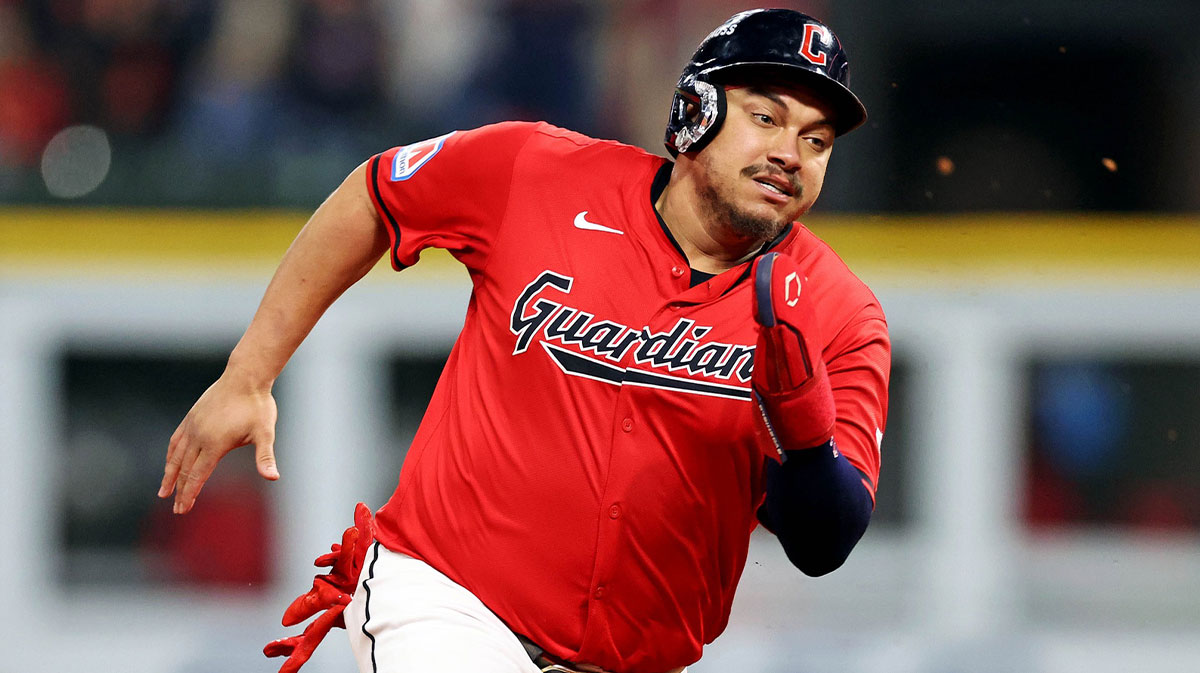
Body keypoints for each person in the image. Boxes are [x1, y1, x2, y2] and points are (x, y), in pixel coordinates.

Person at [159, 8, 890, 673]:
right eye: (766, 117)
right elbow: (375, 195)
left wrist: (802, 424)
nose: (790, 152)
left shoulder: (840, 313)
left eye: (816, 139)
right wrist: (249, 373)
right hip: (445, 599)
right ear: (695, 111)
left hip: (639, 658)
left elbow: (824, 542)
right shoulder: (537, 172)